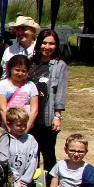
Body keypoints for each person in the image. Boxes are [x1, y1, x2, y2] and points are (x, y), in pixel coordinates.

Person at [28, 28, 68, 171]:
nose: (47, 47)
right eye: (44, 43)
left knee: (48, 153)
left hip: (47, 116)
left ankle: (51, 182)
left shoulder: (59, 65)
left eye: (51, 44)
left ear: (56, 46)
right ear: (38, 43)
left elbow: (60, 92)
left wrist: (57, 116)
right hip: (30, 115)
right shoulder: (31, 62)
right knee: (31, 152)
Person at [4, 107, 40, 187]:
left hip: (25, 181)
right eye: (19, 125)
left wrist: (24, 181)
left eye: (25, 125)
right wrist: (13, 179)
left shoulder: (31, 140)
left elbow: (33, 162)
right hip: (9, 179)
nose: (22, 128)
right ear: (9, 124)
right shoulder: (4, 139)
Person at [0, 54, 38, 131]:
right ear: (10, 69)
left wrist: (25, 130)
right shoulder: (2, 84)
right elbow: (2, 109)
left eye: (23, 71)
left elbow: (34, 110)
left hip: (26, 127)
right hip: (8, 127)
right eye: (17, 70)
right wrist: (10, 129)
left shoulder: (31, 85)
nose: (20, 73)